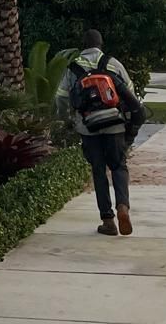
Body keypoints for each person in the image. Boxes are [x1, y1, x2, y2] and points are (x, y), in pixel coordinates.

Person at [55, 28, 145, 236]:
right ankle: (123, 206)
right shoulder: (113, 63)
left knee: (98, 171)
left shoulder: (73, 67)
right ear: (101, 44)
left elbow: (60, 97)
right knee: (118, 166)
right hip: (114, 125)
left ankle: (108, 221)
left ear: (83, 46)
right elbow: (129, 92)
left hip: (88, 128)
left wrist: (67, 120)